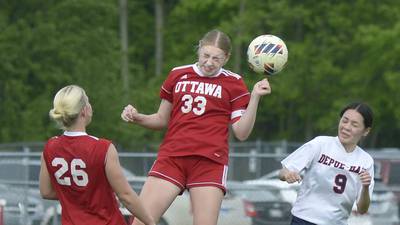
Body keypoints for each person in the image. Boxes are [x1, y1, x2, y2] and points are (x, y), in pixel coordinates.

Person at [121, 29, 271, 225]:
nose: (209, 62)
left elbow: (241, 133)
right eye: (206, 56)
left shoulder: (234, 83)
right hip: (172, 157)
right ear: (199, 49)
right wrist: (137, 117)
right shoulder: (178, 74)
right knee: (140, 222)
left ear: (226, 58)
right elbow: (160, 119)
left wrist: (255, 97)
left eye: (217, 59)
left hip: (209, 162)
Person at [39, 85, 155, 225]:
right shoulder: (102, 148)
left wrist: (76, 196)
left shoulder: (50, 147)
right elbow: (126, 196)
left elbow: (46, 191)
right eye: (87, 102)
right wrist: (151, 222)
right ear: (83, 111)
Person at [279, 102, 374, 225]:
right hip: (304, 219)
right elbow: (283, 172)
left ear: (366, 131)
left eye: (354, 124)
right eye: (344, 121)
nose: (346, 127)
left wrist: (365, 187)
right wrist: (287, 175)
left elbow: (362, 209)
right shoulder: (320, 144)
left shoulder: (366, 161)